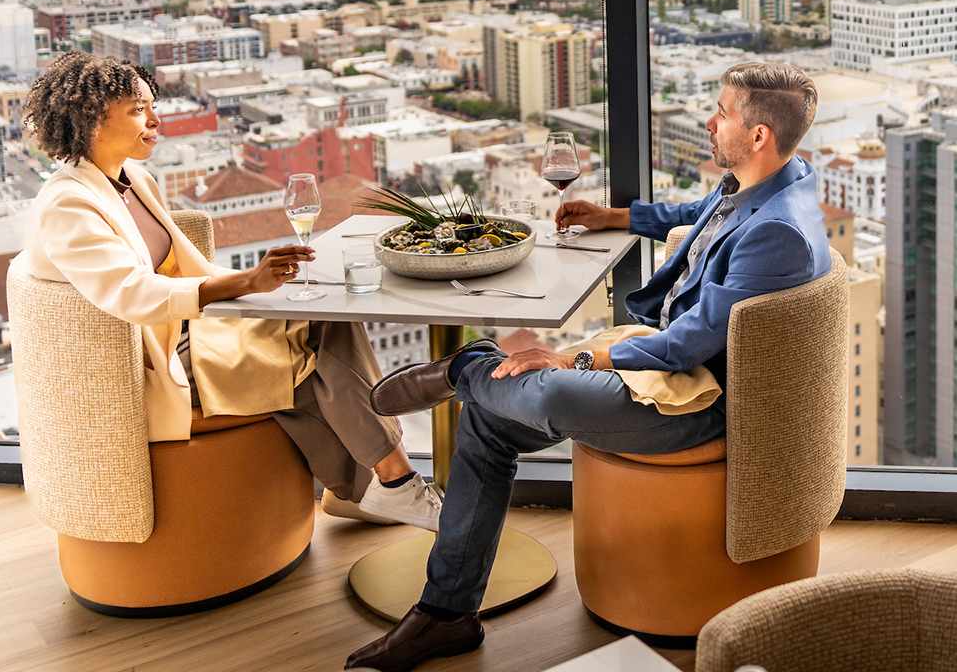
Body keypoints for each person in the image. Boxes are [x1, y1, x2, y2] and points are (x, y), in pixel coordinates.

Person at [347, 62, 829, 672]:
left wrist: (574, 356)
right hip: (670, 364)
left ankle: (465, 367)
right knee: (489, 418)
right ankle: (446, 614)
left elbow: (688, 345)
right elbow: (700, 211)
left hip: (702, 401)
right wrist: (616, 217)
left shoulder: (778, 233)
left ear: (759, 135)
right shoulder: (774, 180)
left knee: (542, 393)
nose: (710, 122)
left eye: (723, 113)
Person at [11, 52, 440, 529]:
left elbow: (183, 268)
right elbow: (132, 294)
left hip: (188, 331)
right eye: (137, 110)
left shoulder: (134, 180)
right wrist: (248, 282)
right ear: (89, 119)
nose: (155, 121)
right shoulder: (68, 204)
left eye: (153, 106)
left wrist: (265, 287)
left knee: (321, 319)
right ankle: (389, 483)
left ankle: (366, 488)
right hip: (149, 359)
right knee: (310, 348)